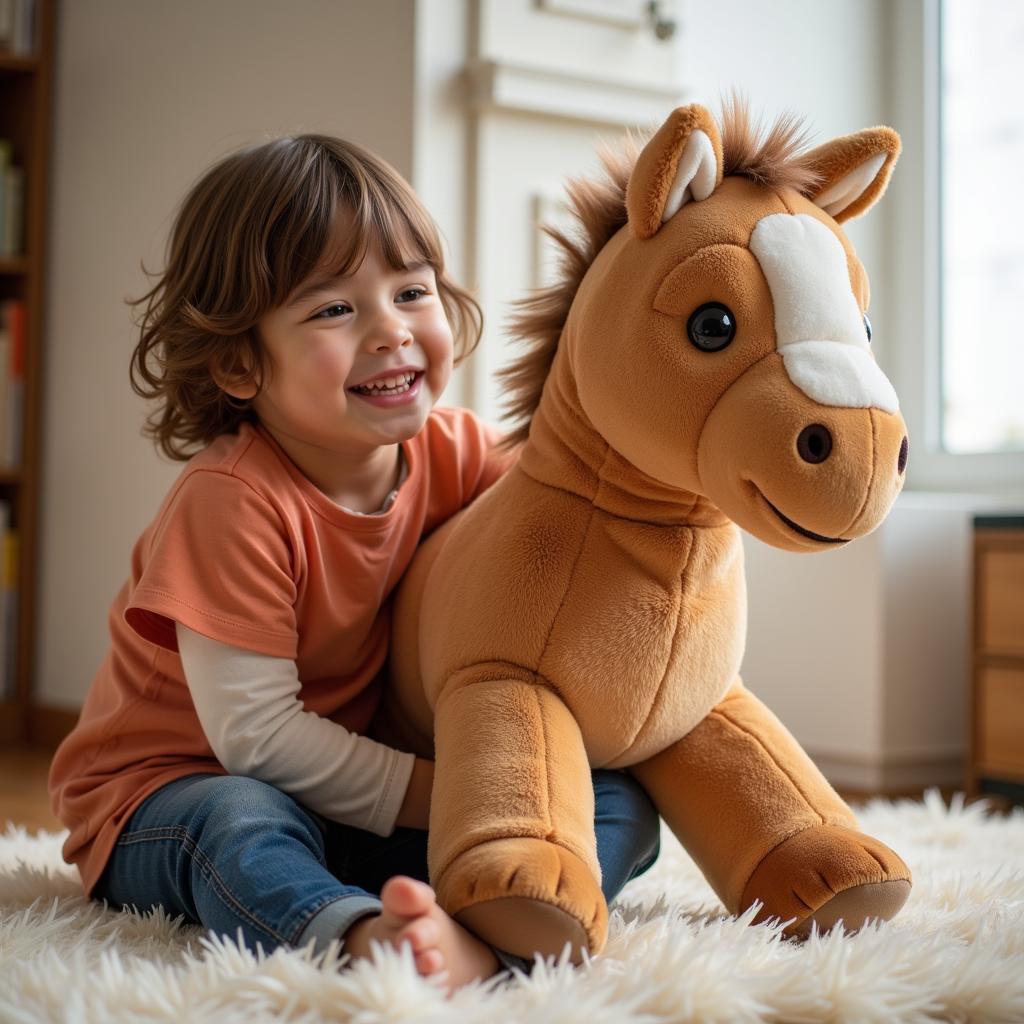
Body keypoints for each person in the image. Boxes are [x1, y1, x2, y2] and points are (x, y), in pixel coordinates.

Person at [48, 134, 660, 993]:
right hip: (168, 791)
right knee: (241, 824)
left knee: (613, 795)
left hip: (359, 786)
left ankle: (504, 916)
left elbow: (560, 516)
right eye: (334, 310)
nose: (391, 331)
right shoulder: (231, 500)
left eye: (412, 292)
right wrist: (448, 795)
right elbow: (255, 738)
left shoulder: (456, 452)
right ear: (236, 362)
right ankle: (363, 936)